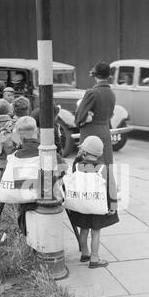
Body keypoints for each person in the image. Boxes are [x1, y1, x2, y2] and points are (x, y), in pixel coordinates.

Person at [68, 136, 119, 269]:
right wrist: (113, 205)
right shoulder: (103, 168)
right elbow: (111, 187)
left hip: (82, 205)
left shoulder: (77, 166)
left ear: (84, 151)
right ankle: (94, 259)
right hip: (97, 205)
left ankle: (85, 254)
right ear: (99, 153)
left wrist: (78, 156)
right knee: (95, 232)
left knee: (83, 230)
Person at [15, 116, 67, 235]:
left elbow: (15, 181)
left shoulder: (17, 154)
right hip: (49, 195)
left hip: (26, 198)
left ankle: (27, 233)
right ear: (36, 131)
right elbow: (64, 169)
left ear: (19, 134)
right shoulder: (48, 150)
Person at [75, 61, 115, 166]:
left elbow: (79, 118)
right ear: (108, 76)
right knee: (105, 164)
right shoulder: (112, 94)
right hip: (105, 131)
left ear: (95, 76)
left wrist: (85, 118)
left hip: (91, 133)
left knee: (89, 167)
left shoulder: (92, 93)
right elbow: (110, 114)